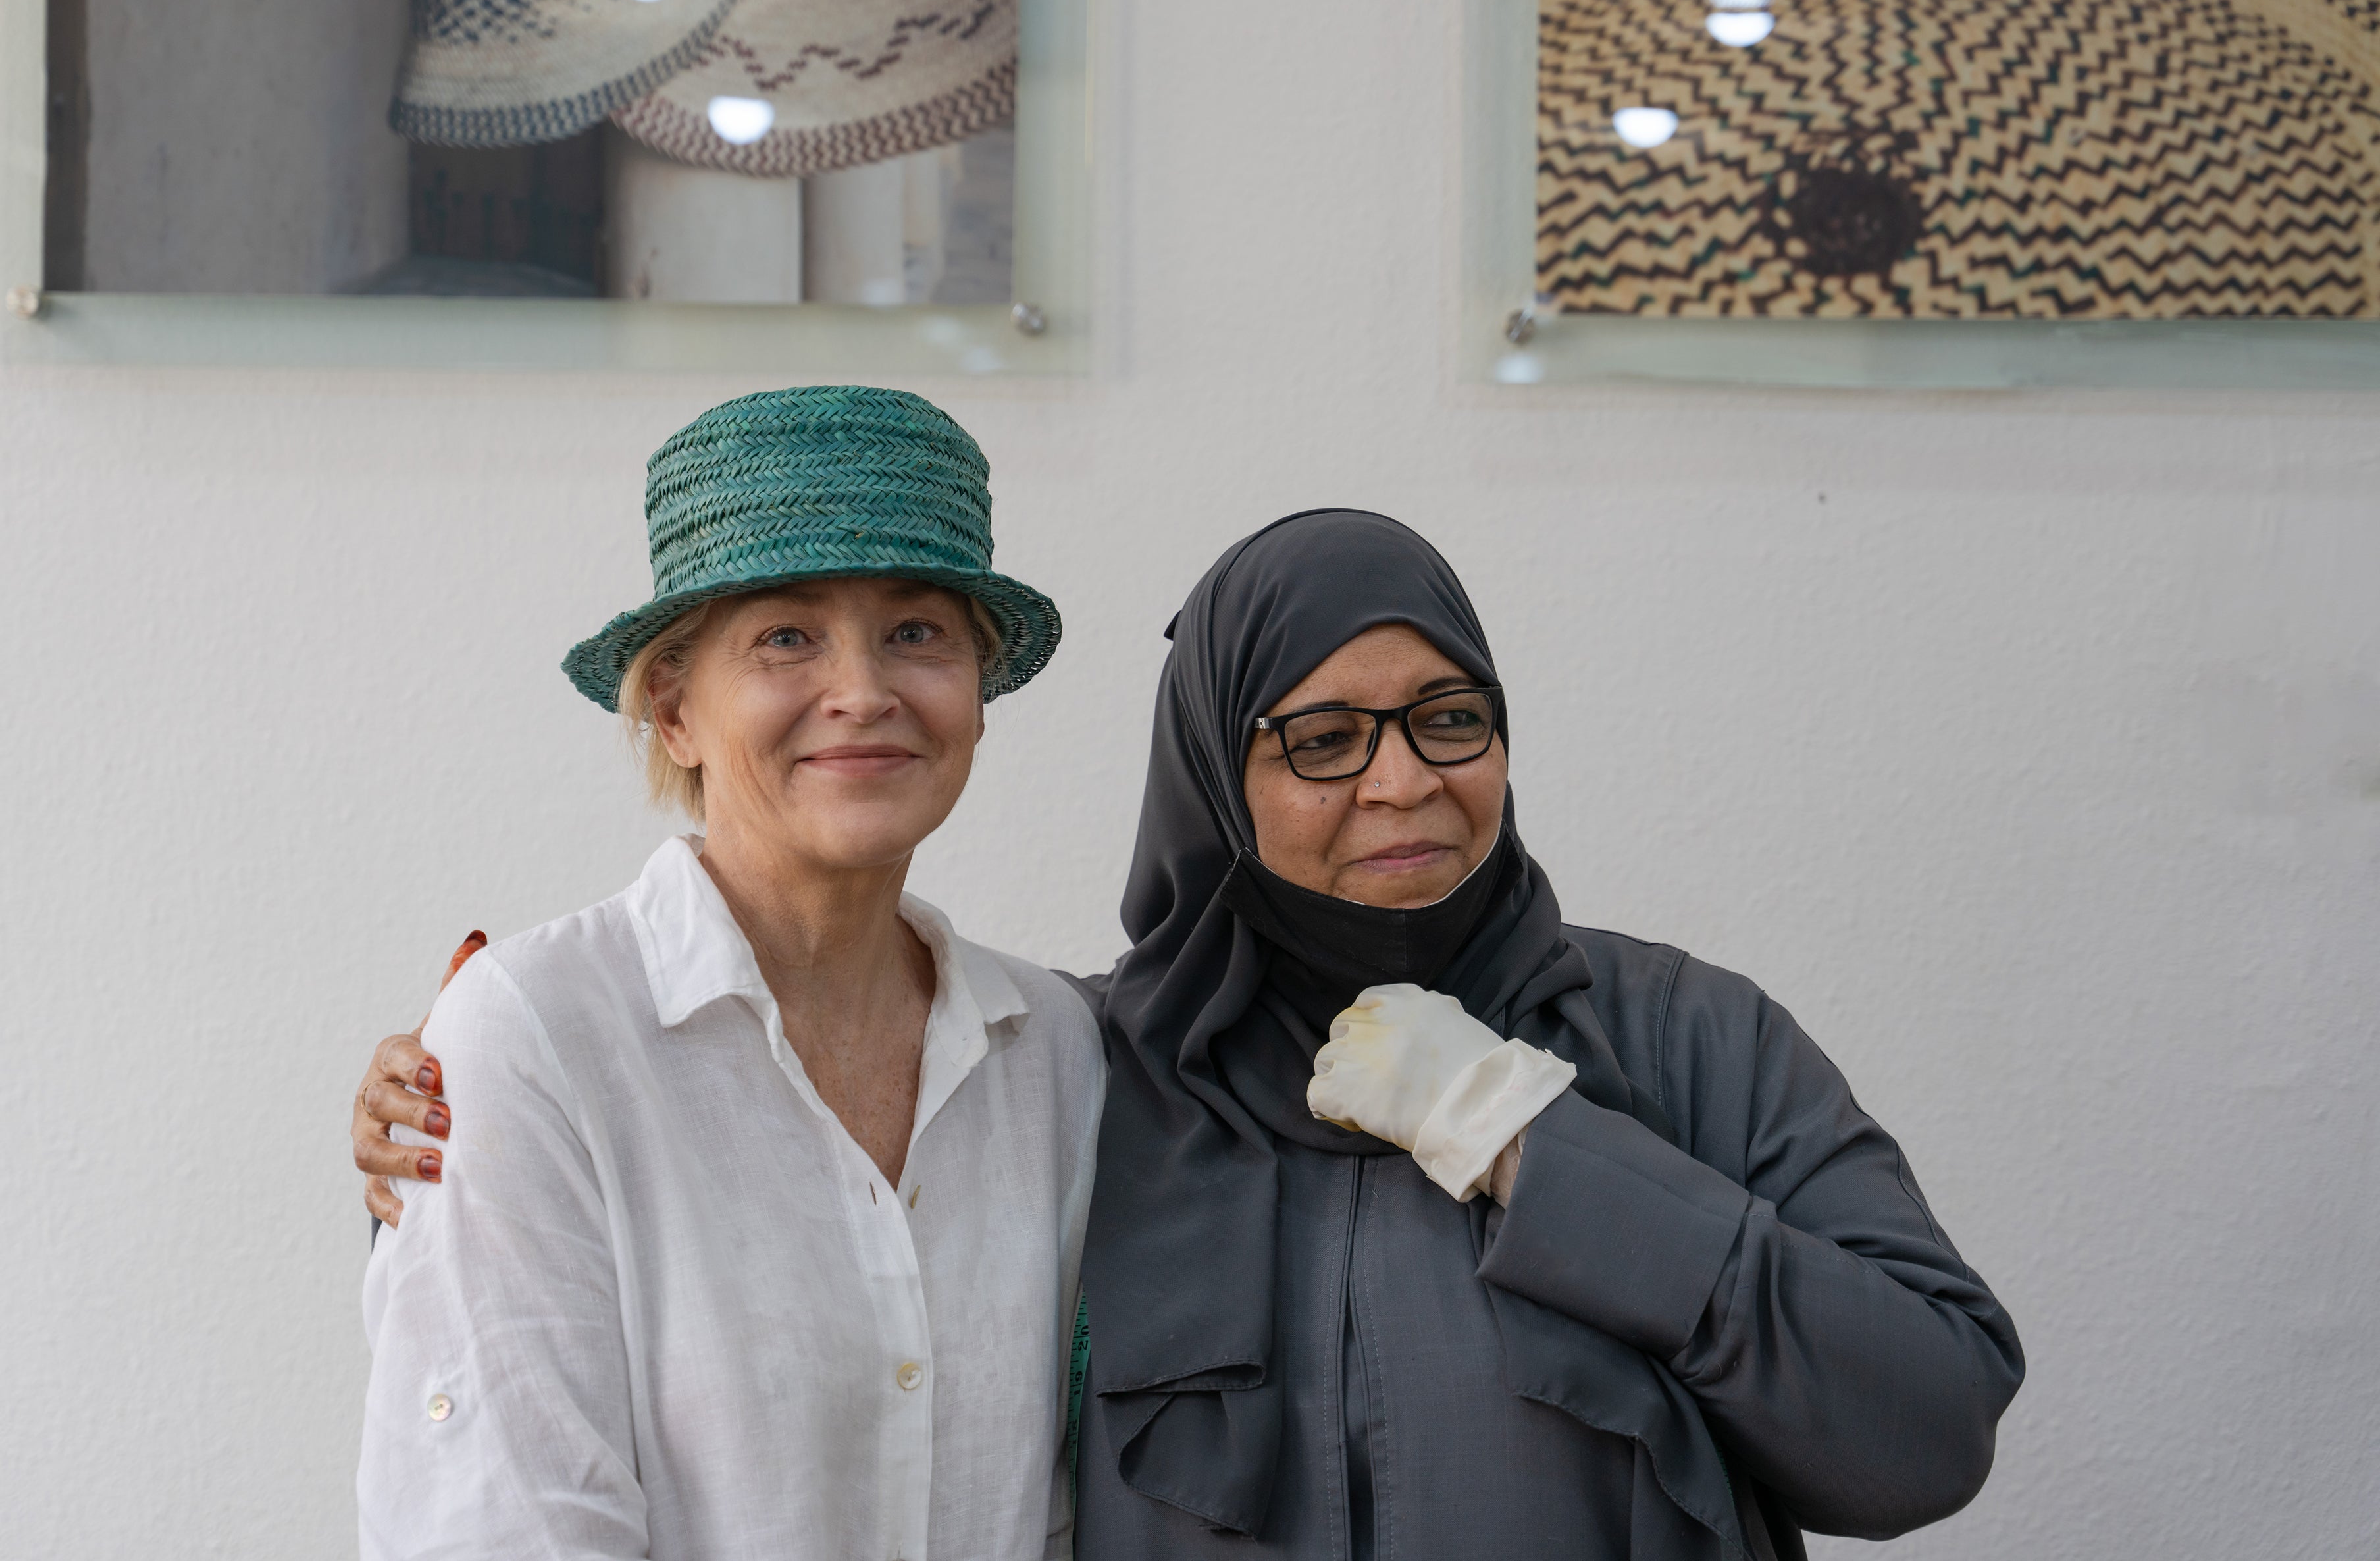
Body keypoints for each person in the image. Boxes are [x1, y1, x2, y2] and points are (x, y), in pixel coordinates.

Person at [357, 509, 2024, 1560]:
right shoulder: (1083, 1066)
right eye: (1318, 734)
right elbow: (806, 1242)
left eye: (1451, 718)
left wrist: (1537, 1141)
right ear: (1214, 778)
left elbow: (1921, 1429)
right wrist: (449, 1141)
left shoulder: (1683, 1037)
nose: (1401, 779)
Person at [353, 383, 1102, 1561]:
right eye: (786, 638)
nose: (862, 691)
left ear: (978, 693)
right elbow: (508, 1527)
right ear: (673, 709)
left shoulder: (1056, 1048)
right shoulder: (532, 1039)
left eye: (918, 632)